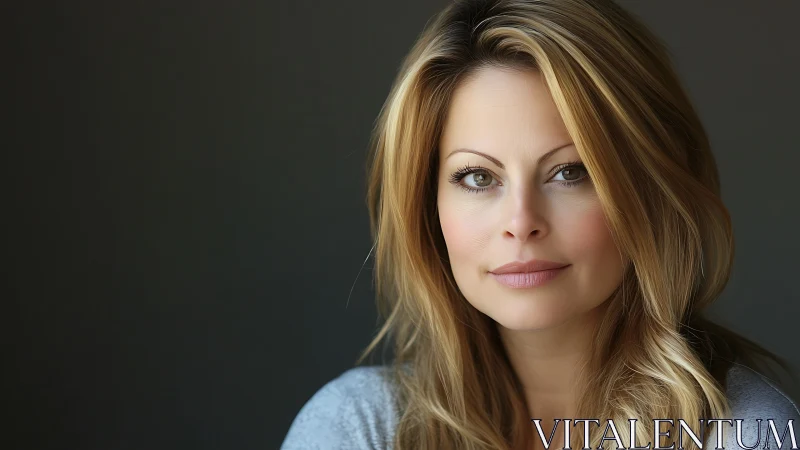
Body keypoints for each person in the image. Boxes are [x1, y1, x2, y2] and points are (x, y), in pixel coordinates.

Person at [281, 0, 800, 449]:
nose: (521, 222)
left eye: (570, 172)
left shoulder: (741, 432)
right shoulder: (358, 430)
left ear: (648, 190)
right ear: (427, 205)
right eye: (478, 176)